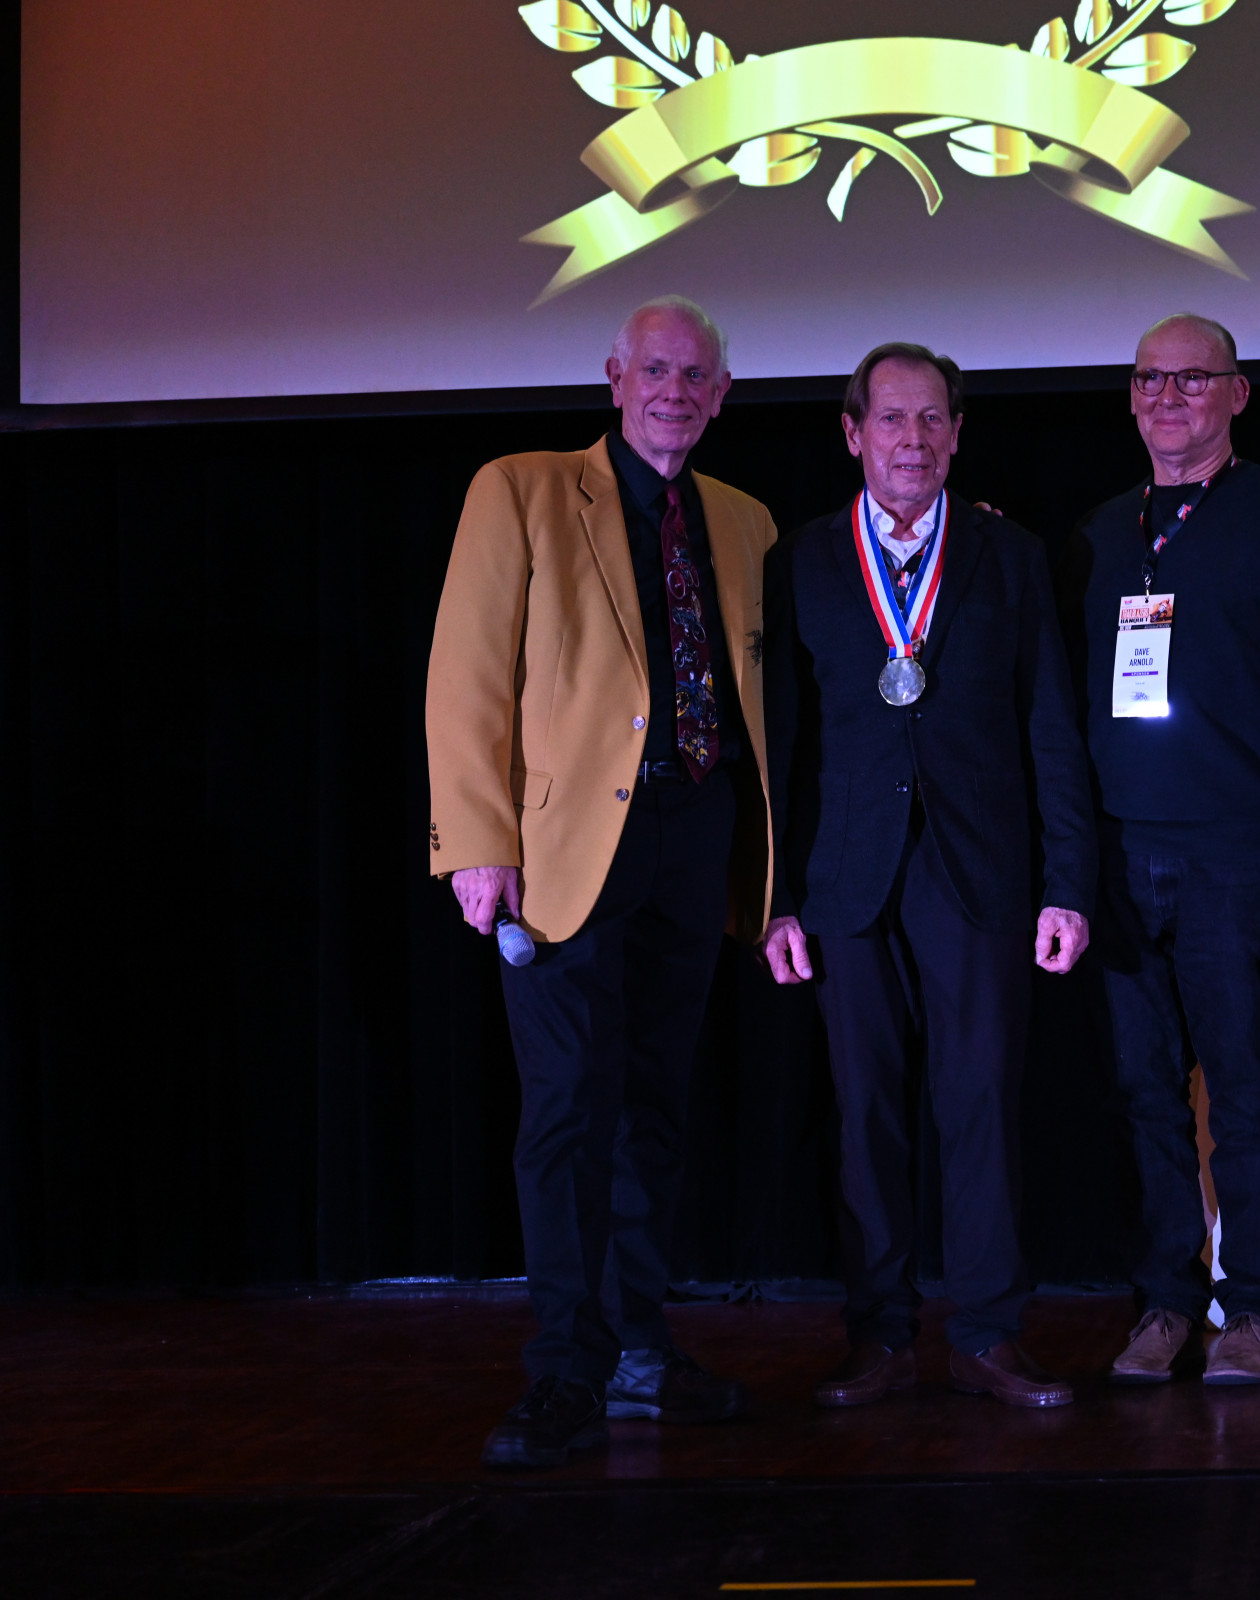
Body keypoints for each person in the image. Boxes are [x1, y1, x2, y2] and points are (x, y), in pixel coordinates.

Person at [426, 295, 774, 1468]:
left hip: (693, 845)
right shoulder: (520, 487)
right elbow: (467, 675)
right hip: (563, 855)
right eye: (655, 370)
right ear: (614, 379)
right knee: (568, 1111)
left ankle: (638, 1349)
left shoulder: (745, 518)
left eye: (697, 376)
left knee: (655, 1113)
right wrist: (476, 839)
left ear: (722, 396)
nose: (676, 391)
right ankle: (565, 1369)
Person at [760, 343, 1094, 1409]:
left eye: (932, 420)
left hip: (980, 872)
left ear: (957, 433)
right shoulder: (801, 559)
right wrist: (775, 897)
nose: (913, 440)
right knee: (865, 1112)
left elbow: (1052, 730)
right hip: (845, 881)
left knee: (983, 1100)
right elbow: (781, 744)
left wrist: (1068, 883)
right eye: (892, 421)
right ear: (854, 434)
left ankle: (991, 1329)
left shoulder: (1011, 556)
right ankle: (881, 1333)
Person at [1073, 314, 1260, 1386]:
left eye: (1193, 380)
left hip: (1240, 857)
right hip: (1120, 858)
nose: (1169, 397)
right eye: (1150, 378)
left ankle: (1258, 1308)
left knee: (1246, 1092)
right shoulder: (1107, 531)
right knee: (1145, 1093)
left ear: (1236, 395)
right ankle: (1165, 1302)